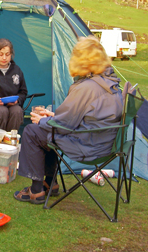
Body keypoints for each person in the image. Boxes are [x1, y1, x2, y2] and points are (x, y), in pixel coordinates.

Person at [14, 35, 123, 204]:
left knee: (33, 131)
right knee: (46, 131)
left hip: (88, 146)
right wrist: (52, 117)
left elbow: (63, 126)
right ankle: (50, 182)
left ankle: (36, 191)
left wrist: (41, 121)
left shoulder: (88, 87)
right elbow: (83, 117)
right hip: (102, 143)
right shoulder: (109, 83)